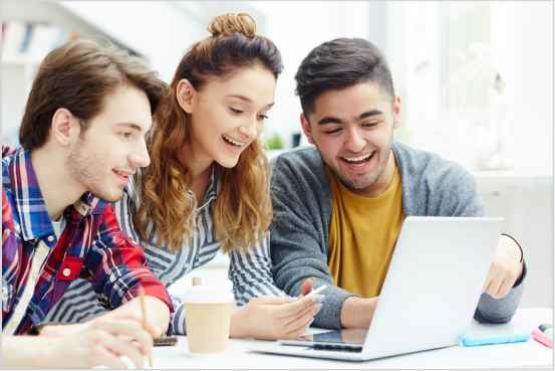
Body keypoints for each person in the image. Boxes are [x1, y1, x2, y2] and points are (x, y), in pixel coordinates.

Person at [44, 13, 320, 340]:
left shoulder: (244, 173)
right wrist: (225, 320)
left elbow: (252, 278)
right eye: (236, 109)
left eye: (261, 115)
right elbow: (123, 290)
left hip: (138, 339)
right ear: (187, 96)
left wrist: (286, 311)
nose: (250, 130)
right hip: (57, 334)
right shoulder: (130, 161)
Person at [270, 38, 526, 330]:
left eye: (369, 124)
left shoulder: (444, 184)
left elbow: (495, 312)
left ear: (396, 111)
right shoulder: (292, 178)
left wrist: (510, 255)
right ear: (308, 129)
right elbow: (300, 284)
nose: (355, 143)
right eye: (333, 128)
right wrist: (387, 312)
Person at [2, 39, 174, 368]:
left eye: (143, 137)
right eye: (126, 134)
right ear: (65, 126)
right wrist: (55, 351)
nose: (143, 158)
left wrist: (90, 333)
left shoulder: (89, 212)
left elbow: (150, 298)